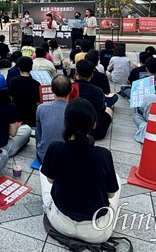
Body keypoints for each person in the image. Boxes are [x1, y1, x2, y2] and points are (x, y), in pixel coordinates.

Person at [40, 98, 120, 244]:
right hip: (97, 233)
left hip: (61, 224)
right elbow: (111, 194)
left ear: (66, 122)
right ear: (94, 124)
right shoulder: (103, 155)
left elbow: (50, 180)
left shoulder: (55, 148)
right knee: (116, 180)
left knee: (43, 172)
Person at [36, 75, 72, 163]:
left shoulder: (41, 108)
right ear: (71, 90)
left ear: (52, 90)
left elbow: (39, 134)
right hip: (67, 158)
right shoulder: (74, 110)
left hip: (44, 156)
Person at [74, 60, 113, 141]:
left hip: (73, 129)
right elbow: (102, 110)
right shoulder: (98, 91)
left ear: (76, 72)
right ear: (92, 74)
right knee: (109, 110)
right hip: (95, 132)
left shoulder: (69, 88)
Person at [7, 57, 41, 127]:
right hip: (31, 117)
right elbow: (38, 103)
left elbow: (9, 97)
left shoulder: (13, 81)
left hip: (17, 115)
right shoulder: (36, 84)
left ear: (19, 68)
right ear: (31, 68)